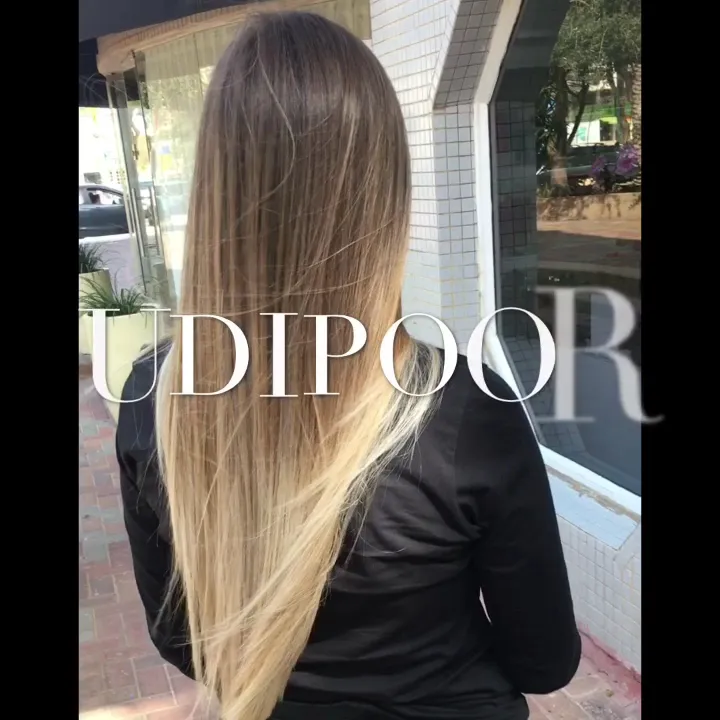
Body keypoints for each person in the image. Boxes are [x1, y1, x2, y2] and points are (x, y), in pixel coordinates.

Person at [117, 11, 581, 720]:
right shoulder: (462, 412)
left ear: (215, 190)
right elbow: (545, 660)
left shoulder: (155, 398)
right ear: (385, 198)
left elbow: (180, 640)